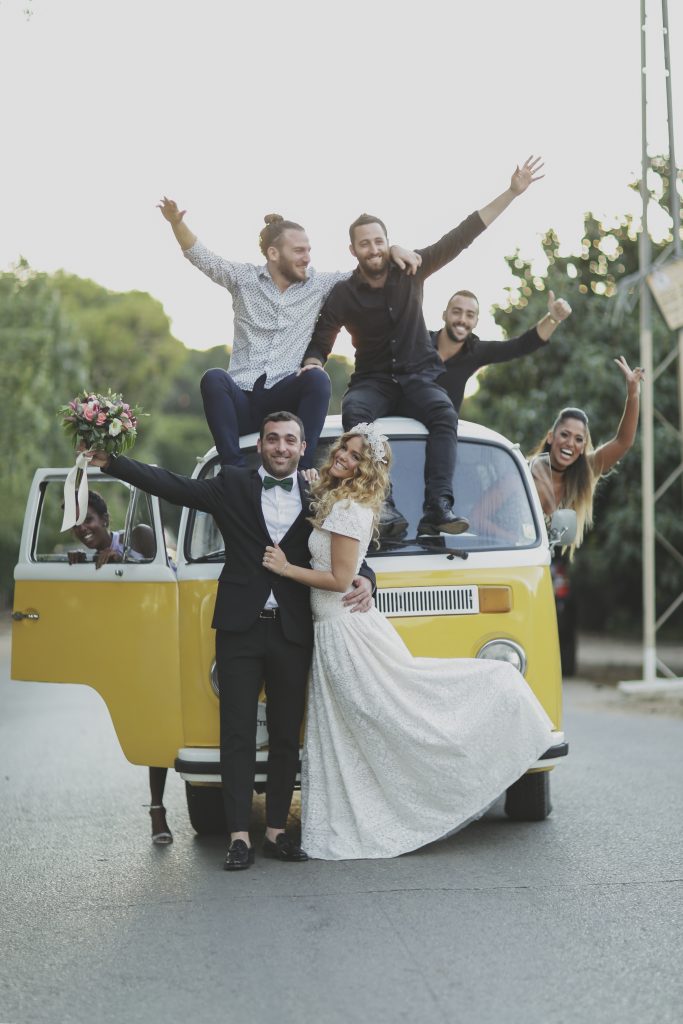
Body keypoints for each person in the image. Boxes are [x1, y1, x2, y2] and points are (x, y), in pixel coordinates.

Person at [86, 413, 375, 870]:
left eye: (290, 440)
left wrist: (369, 578)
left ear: (303, 448)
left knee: (286, 733)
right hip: (239, 626)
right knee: (236, 732)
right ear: (260, 446)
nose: (281, 447)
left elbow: (346, 547)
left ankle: (277, 831)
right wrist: (114, 464)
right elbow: (172, 485)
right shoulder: (231, 485)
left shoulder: (319, 492)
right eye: (273, 439)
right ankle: (239, 835)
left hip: (293, 629)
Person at [262, 423, 555, 860]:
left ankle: (421, 790)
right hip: (333, 628)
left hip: (344, 630)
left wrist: (286, 569)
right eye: (344, 448)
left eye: (356, 455)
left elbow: (340, 579)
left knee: (388, 716)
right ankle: (363, 809)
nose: (343, 455)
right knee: (353, 727)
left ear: (366, 468)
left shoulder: (349, 508)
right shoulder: (339, 499)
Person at [301, 158, 544, 537]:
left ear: (387, 242)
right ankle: (383, 504)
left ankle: (438, 507)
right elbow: (321, 341)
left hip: (418, 378)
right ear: (353, 250)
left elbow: (462, 235)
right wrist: (314, 363)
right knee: (355, 412)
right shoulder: (343, 294)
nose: (373, 248)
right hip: (373, 381)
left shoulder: (411, 269)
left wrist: (511, 192)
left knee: (444, 414)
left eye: (379, 241)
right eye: (364, 243)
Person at [157, 199, 420, 470]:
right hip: (242, 401)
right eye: (298, 251)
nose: (307, 258)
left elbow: (367, 269)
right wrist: (177, 223)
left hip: (284, 406)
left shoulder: (318, 284)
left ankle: (303, 471)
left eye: (308, 250)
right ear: (273, 253)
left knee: (317, 378)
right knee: (213, 378)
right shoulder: (244, 279)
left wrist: (393, 250)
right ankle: (233, 470)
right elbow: (200, 256)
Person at [67, 491, 172, 844]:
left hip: (163, 639)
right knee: (148, 729)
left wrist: (123, 559)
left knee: (161, 723)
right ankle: (157, 808)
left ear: (105, 520)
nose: (83, 528)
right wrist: (80, 569)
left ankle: (159, 810)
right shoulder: (84, 559)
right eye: (76, 524)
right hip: (130, 652)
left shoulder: (137, 535)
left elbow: (167, 569)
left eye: (89, 519)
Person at [529, 356, 644, 555]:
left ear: (583, 447)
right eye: (564, 435)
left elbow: (623, 442)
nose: (570, 443)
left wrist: (632, 393)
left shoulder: (585, 470)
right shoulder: (524, 472)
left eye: (578, 439)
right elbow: (482, 516)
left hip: (540, 564)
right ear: (550, 437)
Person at [434, 288, 572, 413]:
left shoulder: (474, 352)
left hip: (441, 431)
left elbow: (522, 345)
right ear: (444, 315)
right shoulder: (422, 342)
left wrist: (553, 318)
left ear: (476, 321)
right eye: (456, 312)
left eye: (470, 315)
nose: (462, 320)